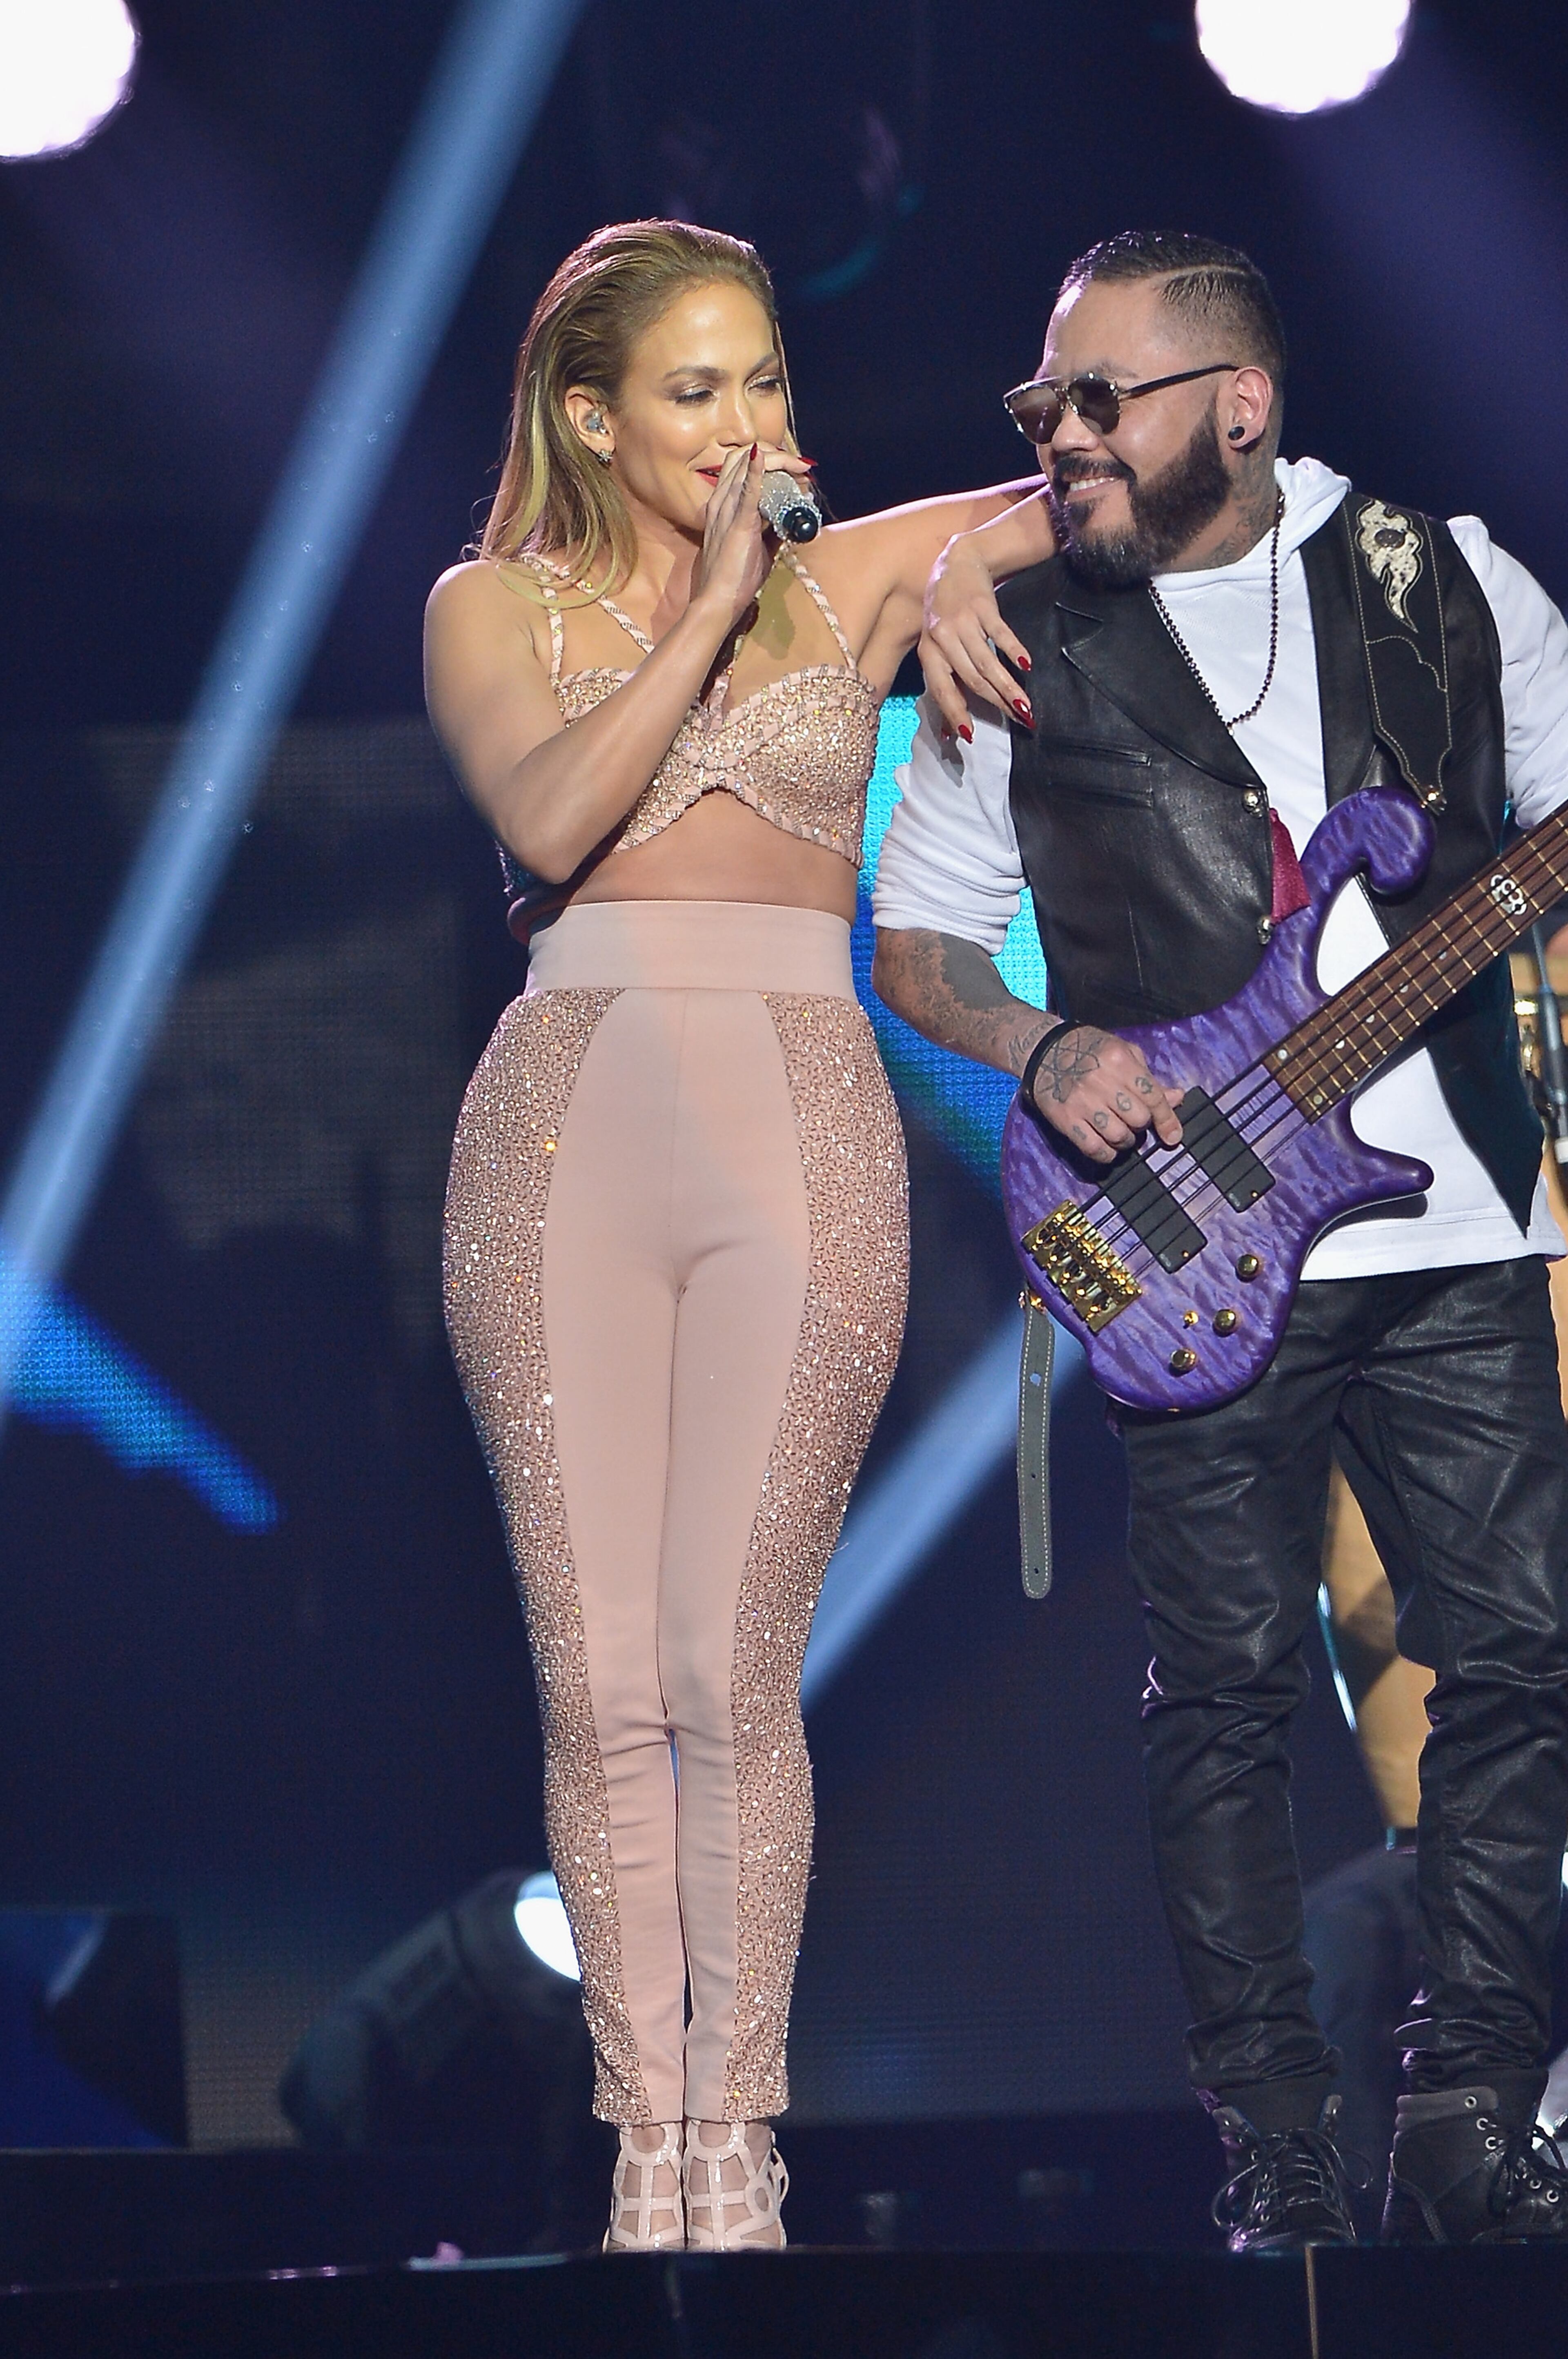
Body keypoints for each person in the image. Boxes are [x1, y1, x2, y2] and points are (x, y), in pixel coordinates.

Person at [872, 229, 1568, 2249]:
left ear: (1239, 408)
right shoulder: (1020, 639)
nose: (1057, 440)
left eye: (1100, 401)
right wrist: (1047, 1038)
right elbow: (918, 945)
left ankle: (1471, 2105)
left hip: (1452, 1234)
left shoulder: (1448, 585)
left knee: (1521, 1659)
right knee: (1227, 1699)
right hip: (1183, 1249)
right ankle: (1273, 2144)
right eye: (1042, 404)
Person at [425, 219, 1035, 2251]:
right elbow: (548, 818)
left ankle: (744, 2141)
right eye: (700, 392)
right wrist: (698, 610)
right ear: (592, 414)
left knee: (724, 1662)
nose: (752, 426)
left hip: (797, 1119)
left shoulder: (848, 577)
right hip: (563, 1128)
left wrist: (985, 534)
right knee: (600, 1678)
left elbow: (1084, 501)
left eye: (767, 380)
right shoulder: (487, 607)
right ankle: (649, 2151)